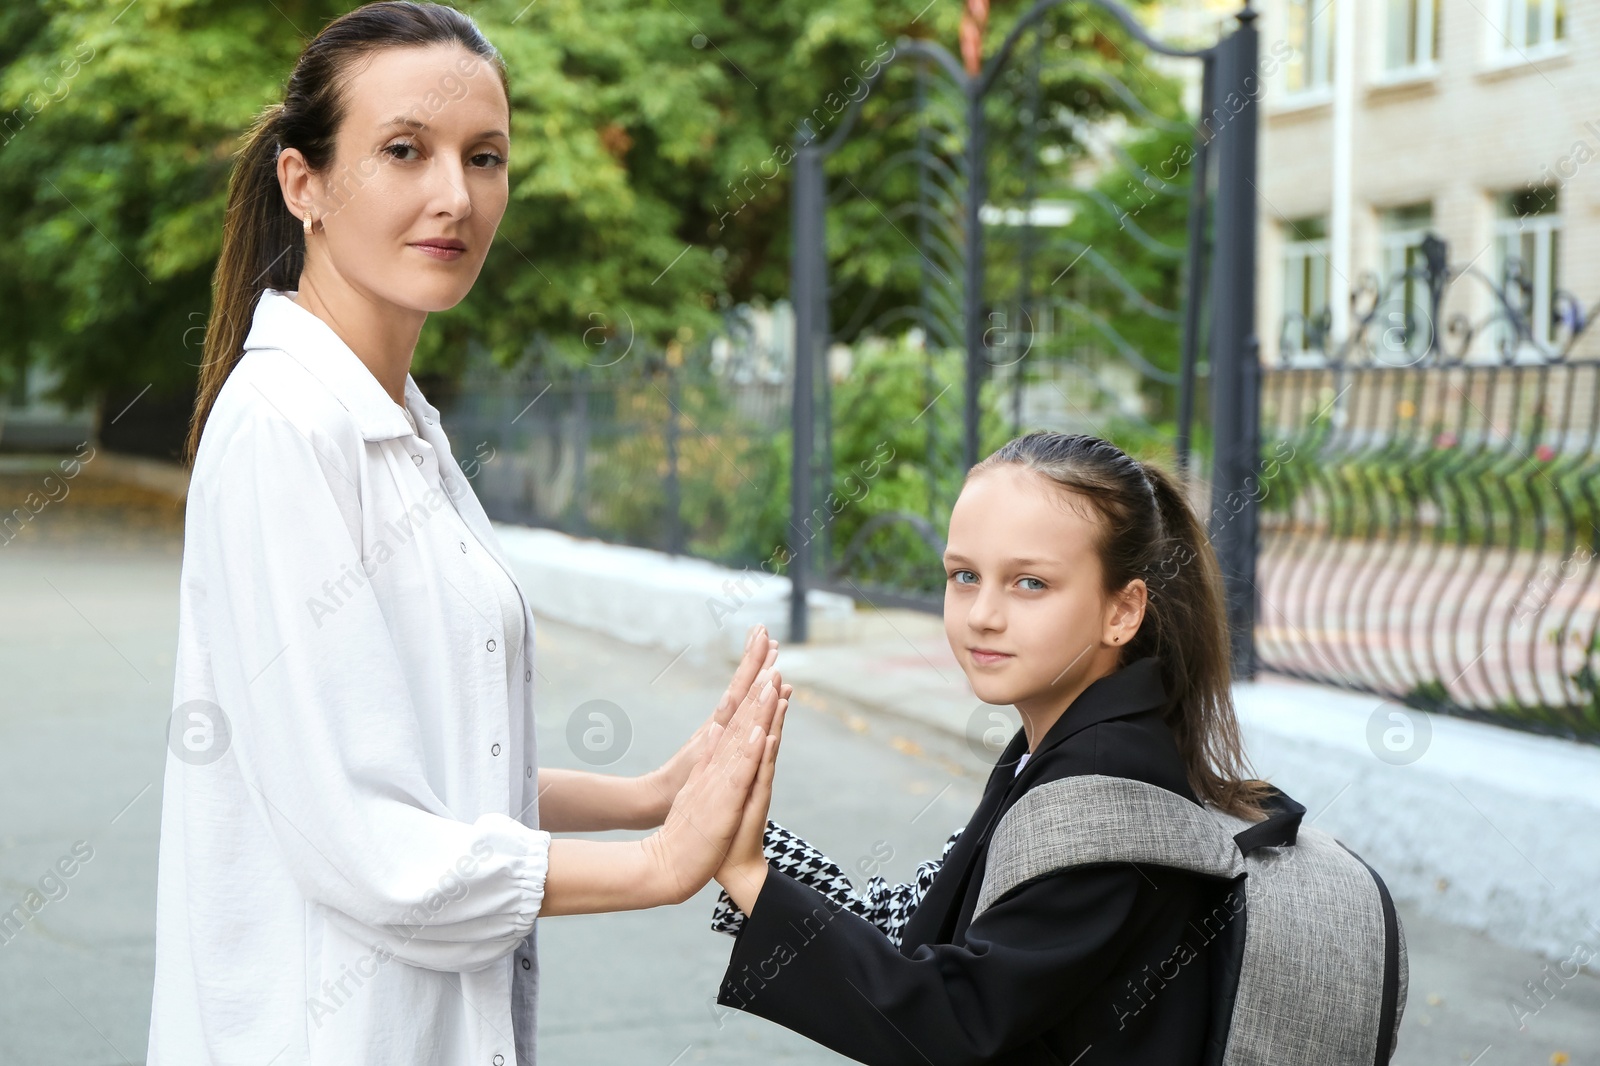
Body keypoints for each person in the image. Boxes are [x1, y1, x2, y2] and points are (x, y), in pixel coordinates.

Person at [147, 4, 785, 1064]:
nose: (455, 196)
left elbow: (428, 766)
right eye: (404, 151)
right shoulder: (285, 431)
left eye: (483, 157)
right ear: (302, 184)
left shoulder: (399, 424)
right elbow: (369, 841)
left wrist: (649, 793)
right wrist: (656, 863)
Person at [709, 431, 1276, 1065]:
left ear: (1123, 611)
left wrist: (750, 874)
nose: (982, 613)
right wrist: (740, 844)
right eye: (964, 576)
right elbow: (924, 933)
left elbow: (951, 1022)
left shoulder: (1108, 786)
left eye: (1029, 583)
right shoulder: (1059, 747)